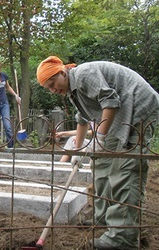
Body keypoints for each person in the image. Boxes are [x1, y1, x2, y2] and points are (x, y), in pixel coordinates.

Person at [37, 56, 159, 249]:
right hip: (118, 116)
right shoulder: (72, 90)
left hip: (137, 110)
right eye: (48, 88)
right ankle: (103, 216)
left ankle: (122, 237)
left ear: (62, 72)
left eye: (53, 83)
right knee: (100, 163)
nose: (53, 90)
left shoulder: (84, 74)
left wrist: (99, 138)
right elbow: (82, 119)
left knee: (124, 170)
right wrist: (78, 150)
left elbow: (110, 101)